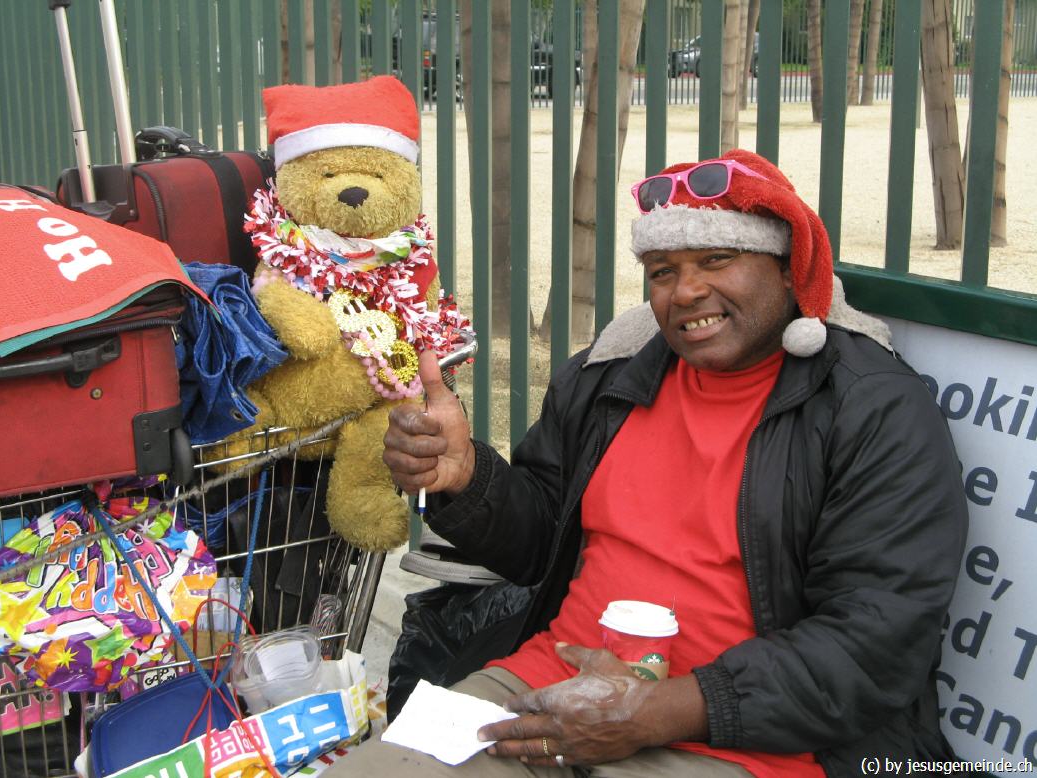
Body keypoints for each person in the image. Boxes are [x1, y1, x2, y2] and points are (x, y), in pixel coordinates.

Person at [336, 149, 968, 777]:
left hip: (742, 740)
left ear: (786, 270)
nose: (687, 290)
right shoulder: (607, 379)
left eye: (717, 259)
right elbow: (538, 546)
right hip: (546, 686)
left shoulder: (871, 407)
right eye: (663, 271)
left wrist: (655, 711)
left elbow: (876, 642)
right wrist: (468, 476)